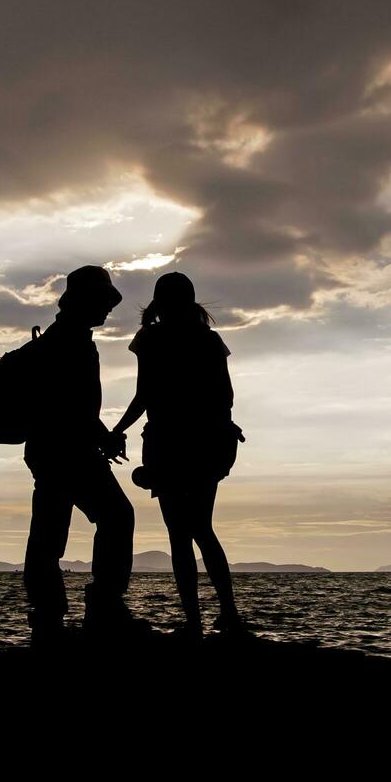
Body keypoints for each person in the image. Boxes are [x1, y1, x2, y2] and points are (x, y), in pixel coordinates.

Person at [111, 272, 247, 639]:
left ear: (159, 301)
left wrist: (117, 429)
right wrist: (222, 427)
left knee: (179, 535)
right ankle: (229, 614)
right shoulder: (209, 341)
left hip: (167, 443)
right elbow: (226, 396)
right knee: (202, 528)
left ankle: (194, 623)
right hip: (207, 442)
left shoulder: (150, 339)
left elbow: (143, 395)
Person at [22, 265, 146, 643]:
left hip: (54, 451)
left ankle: (51, 616)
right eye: (104, 301)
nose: (108, 309)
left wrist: (101, 435)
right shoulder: (69, 343)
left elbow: (74, 409)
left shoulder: (64, 339)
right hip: (66, 452)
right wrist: (103, 436)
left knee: (49, 532)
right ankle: (99, 608)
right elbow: (70, 408)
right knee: (115, 517)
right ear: (83, 300)